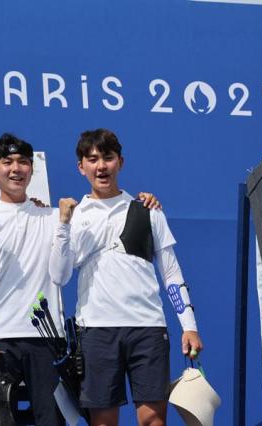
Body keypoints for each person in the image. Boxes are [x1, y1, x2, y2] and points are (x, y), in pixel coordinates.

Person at [0, 133, 159, 425]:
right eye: (7, 162)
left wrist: (146, 202)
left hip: (47, 340)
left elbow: (60, 274)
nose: (16, 169)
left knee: (51, 421)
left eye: (24, 162)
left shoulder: (54, 216)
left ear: (32, 169)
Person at [50, 128, 203, 426]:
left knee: (153, 422)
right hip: (95, 331)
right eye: (92, 159)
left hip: (147, 329)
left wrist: (190, 326)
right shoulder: (74, 216)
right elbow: (59, 276)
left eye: (108, 158)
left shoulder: (148, 210)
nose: (101, 166)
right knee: (104, 423)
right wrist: (64, 224)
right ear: (81, 167)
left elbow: (171, 273)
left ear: (120, 161)